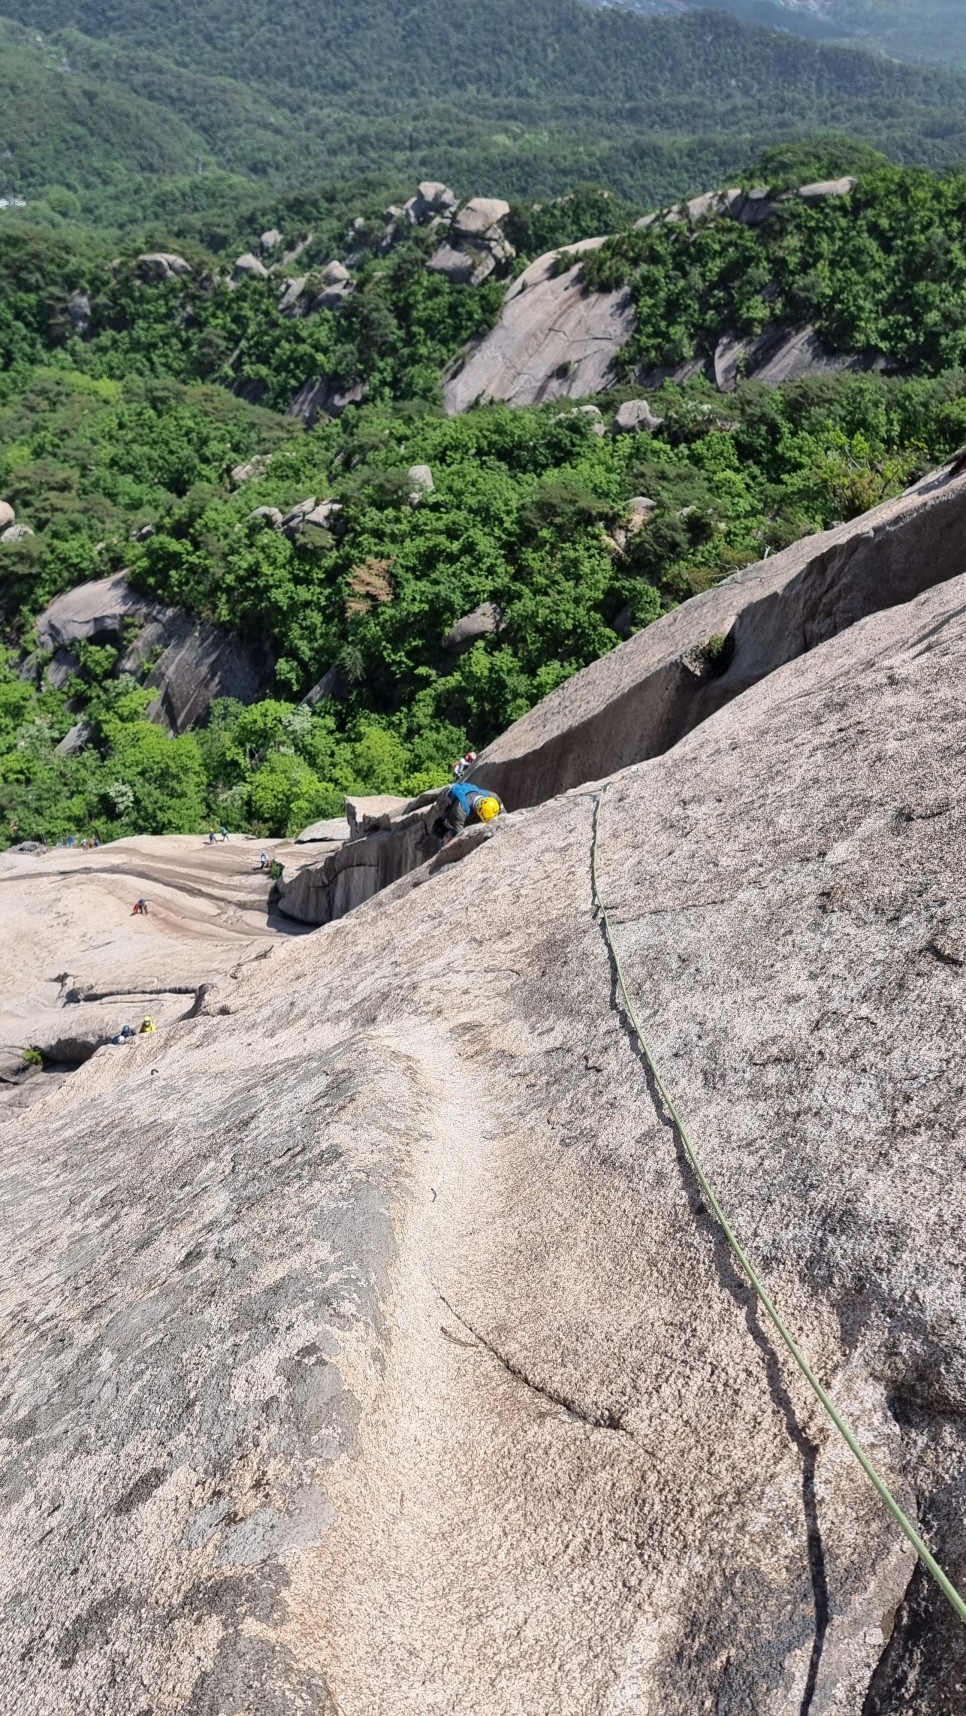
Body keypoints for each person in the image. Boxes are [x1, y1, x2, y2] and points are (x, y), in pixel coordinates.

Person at [433, 780, 504, 845]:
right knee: (441, 827)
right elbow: (460, 836)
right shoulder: (459, 810)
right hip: (448, 799)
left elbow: (504, 815)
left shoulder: (493, 796)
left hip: (467, 795)